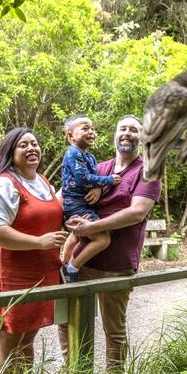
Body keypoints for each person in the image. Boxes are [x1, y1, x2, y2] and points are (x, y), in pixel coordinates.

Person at [59, 115, 162, 374]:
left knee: (113, 332)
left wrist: (91, 228)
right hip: (83, 261)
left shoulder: (147, 170)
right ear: (115, 134)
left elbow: (136, 213)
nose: (126, 134)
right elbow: (64, 193)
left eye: (133, 130)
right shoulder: (101, 168)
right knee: (69, 323)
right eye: (122, 129)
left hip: (116, 266)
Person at [0, 127, 69, 369]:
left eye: (35, 144)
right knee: (9, 340)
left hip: (41, 274)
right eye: (23, 145)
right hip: (10, 275)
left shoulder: (42, 181)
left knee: (28, 338)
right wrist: (39, 242)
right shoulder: (4, 185)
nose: (31, 148)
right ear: (10, 152)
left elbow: (46, 214)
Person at [60, 115, 121, 283]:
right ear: (70, 137)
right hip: (76, 205)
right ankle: (71, 268)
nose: (91, 132)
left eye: (93, 129)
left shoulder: (91, 157)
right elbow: (83, 178)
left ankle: (63, 262)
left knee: (79, 235)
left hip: (84, 204)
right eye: (85, 128)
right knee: (103, 239)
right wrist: (108, 180)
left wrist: (99, 186)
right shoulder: (73, 152)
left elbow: (92, 178)